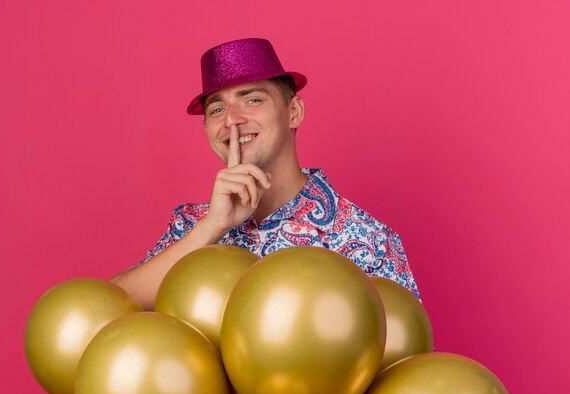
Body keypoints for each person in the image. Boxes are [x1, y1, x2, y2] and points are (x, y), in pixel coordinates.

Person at [111, 38, 420, 309]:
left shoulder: (368, 238)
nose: (232, 120)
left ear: (294, 112)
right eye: (216, 109)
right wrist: (213, 226)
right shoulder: (190, 226)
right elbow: (107, 308)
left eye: (253, 99)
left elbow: (405, 363)